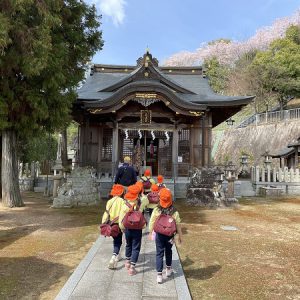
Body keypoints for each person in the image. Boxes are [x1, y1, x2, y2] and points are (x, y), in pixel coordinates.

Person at [148, 188, 183, 284]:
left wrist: (151, 232)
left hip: (159, 234)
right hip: (170, 235)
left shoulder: (156, 209)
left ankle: (159, 275)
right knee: (168, 251)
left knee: (159, 253)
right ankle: (168, 269)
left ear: (160, 199)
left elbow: (151, 221)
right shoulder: (174, 211)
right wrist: (180, 237)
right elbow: (178, 226)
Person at [119, 184, 148, 276]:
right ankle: (132, 268)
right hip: (137, 229)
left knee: (128, 244)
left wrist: (122, 228)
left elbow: (121, 219)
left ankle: (127, 262)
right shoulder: (141, 203)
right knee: (136, 247)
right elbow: (147, 200)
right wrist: (142, 194)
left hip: (127, 228)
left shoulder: (124, 205)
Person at [101, 184, 125, 269]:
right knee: (118, 242)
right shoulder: (122, 201)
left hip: (111, 224)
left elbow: (106, 213)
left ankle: (117, 255)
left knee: (115, 241)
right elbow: (123, 214)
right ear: (121, 192)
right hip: (119, 224)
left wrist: (103, 223)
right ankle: (113, 257)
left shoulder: (109, 201)